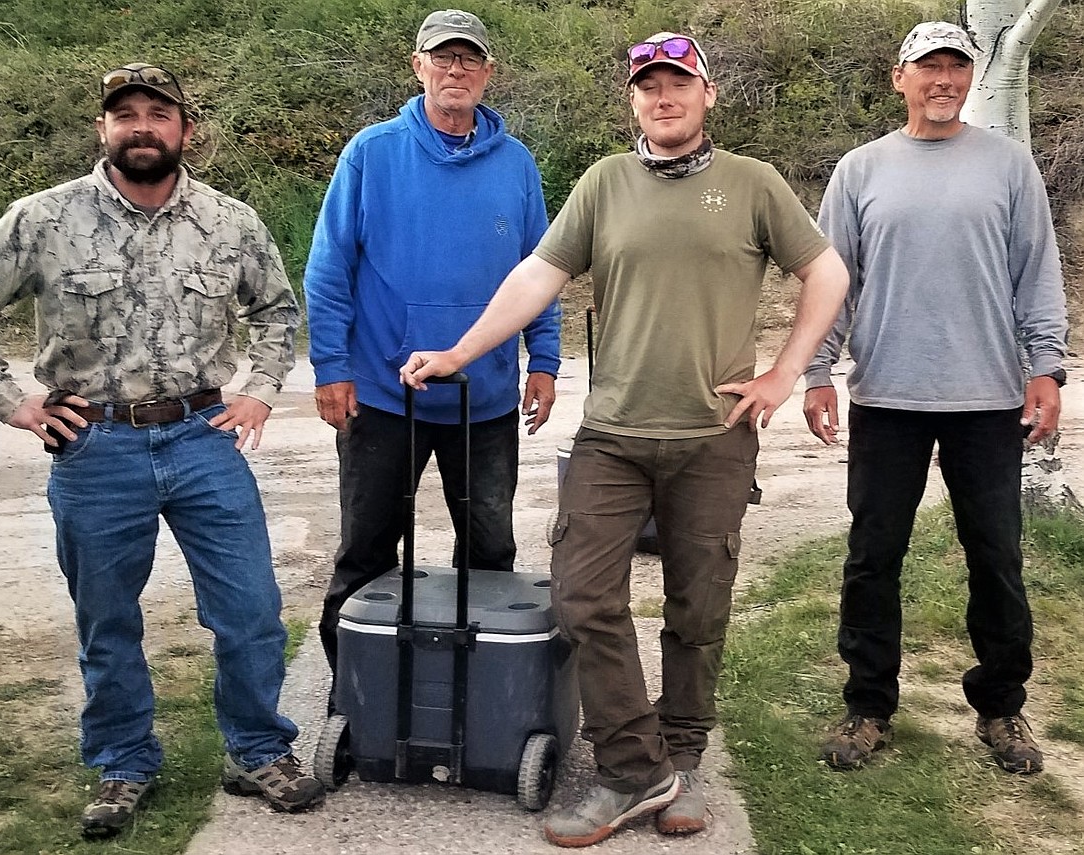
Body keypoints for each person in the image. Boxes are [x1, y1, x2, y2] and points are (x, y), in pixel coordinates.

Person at [402, 31, 849, 847]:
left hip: (714, 436)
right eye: (648, 86)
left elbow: (827, 272)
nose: (663, 97)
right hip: (611, 435)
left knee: (698, 606)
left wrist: (787, 373)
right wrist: (462, 350)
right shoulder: (604, 183)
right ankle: (634, 769)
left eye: (678, 82)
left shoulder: (754, 184)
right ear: (633, 99)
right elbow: (538, 276)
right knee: (581, 597)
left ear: (707, 94)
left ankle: (680, 757)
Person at [0, 63, 324, 835]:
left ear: (184, 129)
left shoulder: (229, 221)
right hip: (95, 447)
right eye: (126, 114)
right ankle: (122, 762)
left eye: (158, 114)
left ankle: (256, 749)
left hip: (203, 437)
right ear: (104, 129)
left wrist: (260, 389)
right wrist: (14, 404)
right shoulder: (43, 219)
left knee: (251, 611)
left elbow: (278, 311)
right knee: (107, 621)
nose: (142, 126)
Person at [803, 21, 1068, 776]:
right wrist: (819, 371)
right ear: (901, 78)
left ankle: (1001, 707)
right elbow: (832, 281)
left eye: (957, 66)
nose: (944, 79)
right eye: (929, 68)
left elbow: (1036, 271)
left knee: (996, 556)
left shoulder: (1010, 167)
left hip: (987, 398)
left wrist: (1046, 366)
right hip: (886, 395)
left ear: (971, 78)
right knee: (873, 557)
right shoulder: (860, 170)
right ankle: (868, 706)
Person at [303, 9, 560, 681]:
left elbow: (542, 267)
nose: (455, 70)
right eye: (441, 58)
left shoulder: (516, 163)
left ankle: (479, 690)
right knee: (366, 551)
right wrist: (331, 365)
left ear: (488, 73)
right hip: (386, 397)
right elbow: (330, 266)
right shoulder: (372, 151)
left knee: (490, 554)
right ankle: (357, 690)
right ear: (417, 66)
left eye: (468, 59)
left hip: (488, 398)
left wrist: (547, 358)